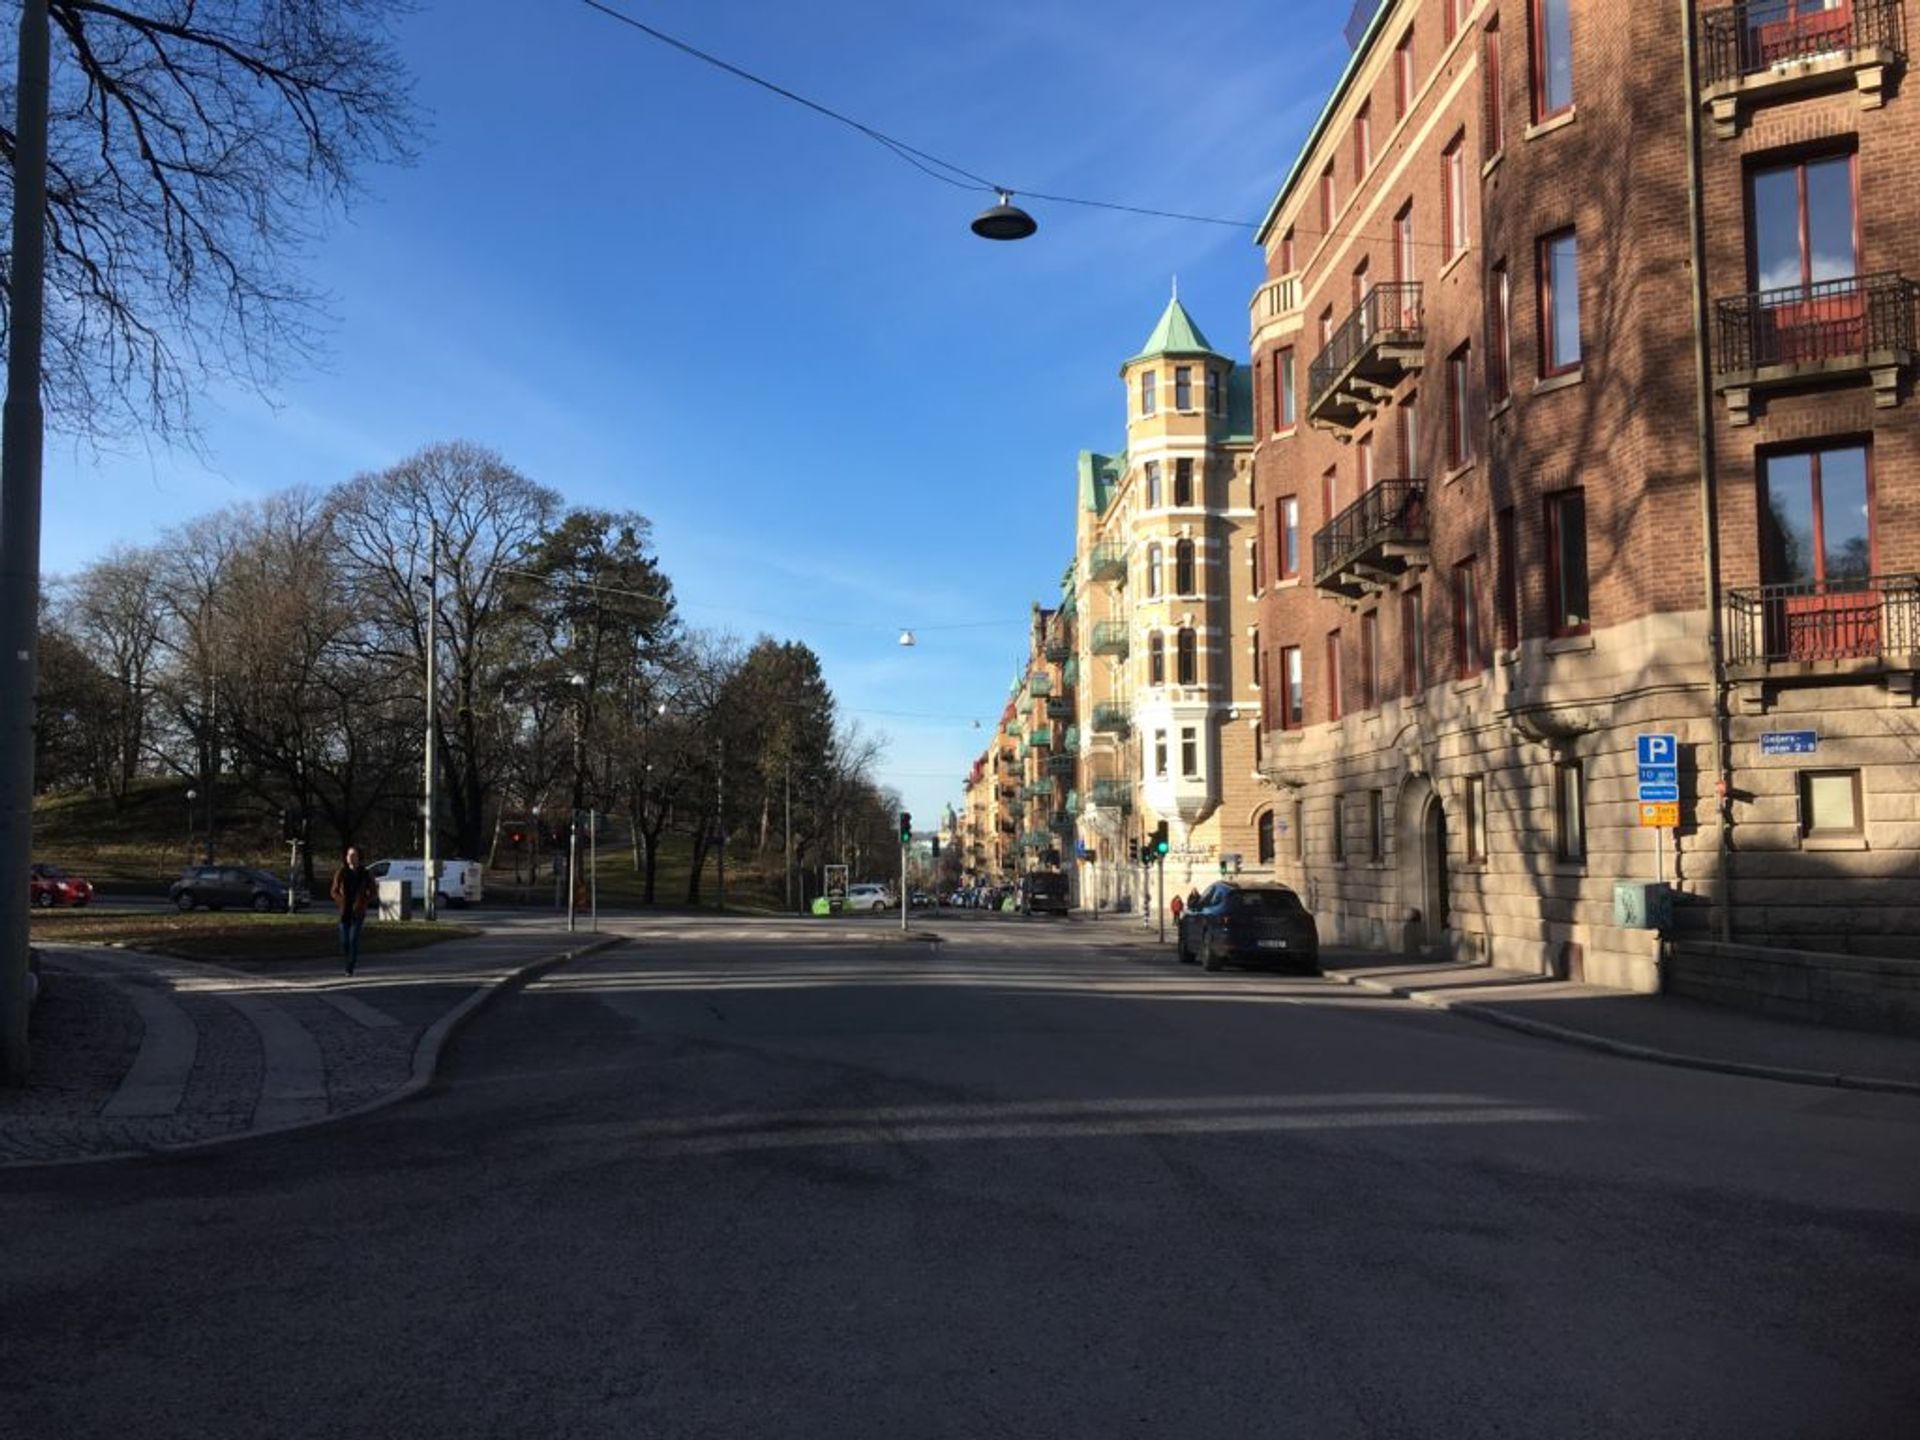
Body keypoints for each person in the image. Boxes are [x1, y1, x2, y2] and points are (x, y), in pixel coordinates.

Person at [330, 846, 374, 976]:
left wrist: (364, 902)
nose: (350, 857)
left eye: (353, 855)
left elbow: (373, 892)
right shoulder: (341, 872)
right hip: (345, 911)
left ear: (359, 857)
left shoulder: (365, 873)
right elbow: (334, 891)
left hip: (357, 912)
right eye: (349, 855)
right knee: (344, 941)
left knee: (353, 939)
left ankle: (350, 967)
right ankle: (347, 960)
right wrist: (340, 902)